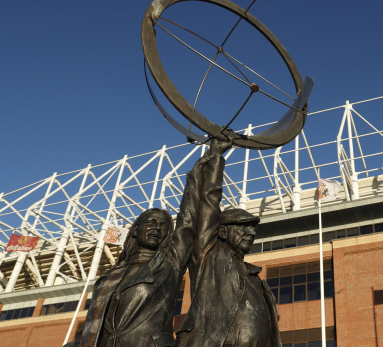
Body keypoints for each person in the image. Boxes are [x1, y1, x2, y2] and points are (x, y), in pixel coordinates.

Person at [69, 140, 230, 347]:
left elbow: (188, 220)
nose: (157, 228)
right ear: (135, 230)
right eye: (152, 222)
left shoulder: (168, 265)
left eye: (163, 226)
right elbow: (94, 325)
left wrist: (202, 170)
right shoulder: (109, 277)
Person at [176, 142, 281, 347]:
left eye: (252, 229)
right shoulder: (209, 255)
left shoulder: (255, 278)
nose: (250, 233)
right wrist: (215, 157)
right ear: (222, 231)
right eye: (243, 228)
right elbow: (209, 202)